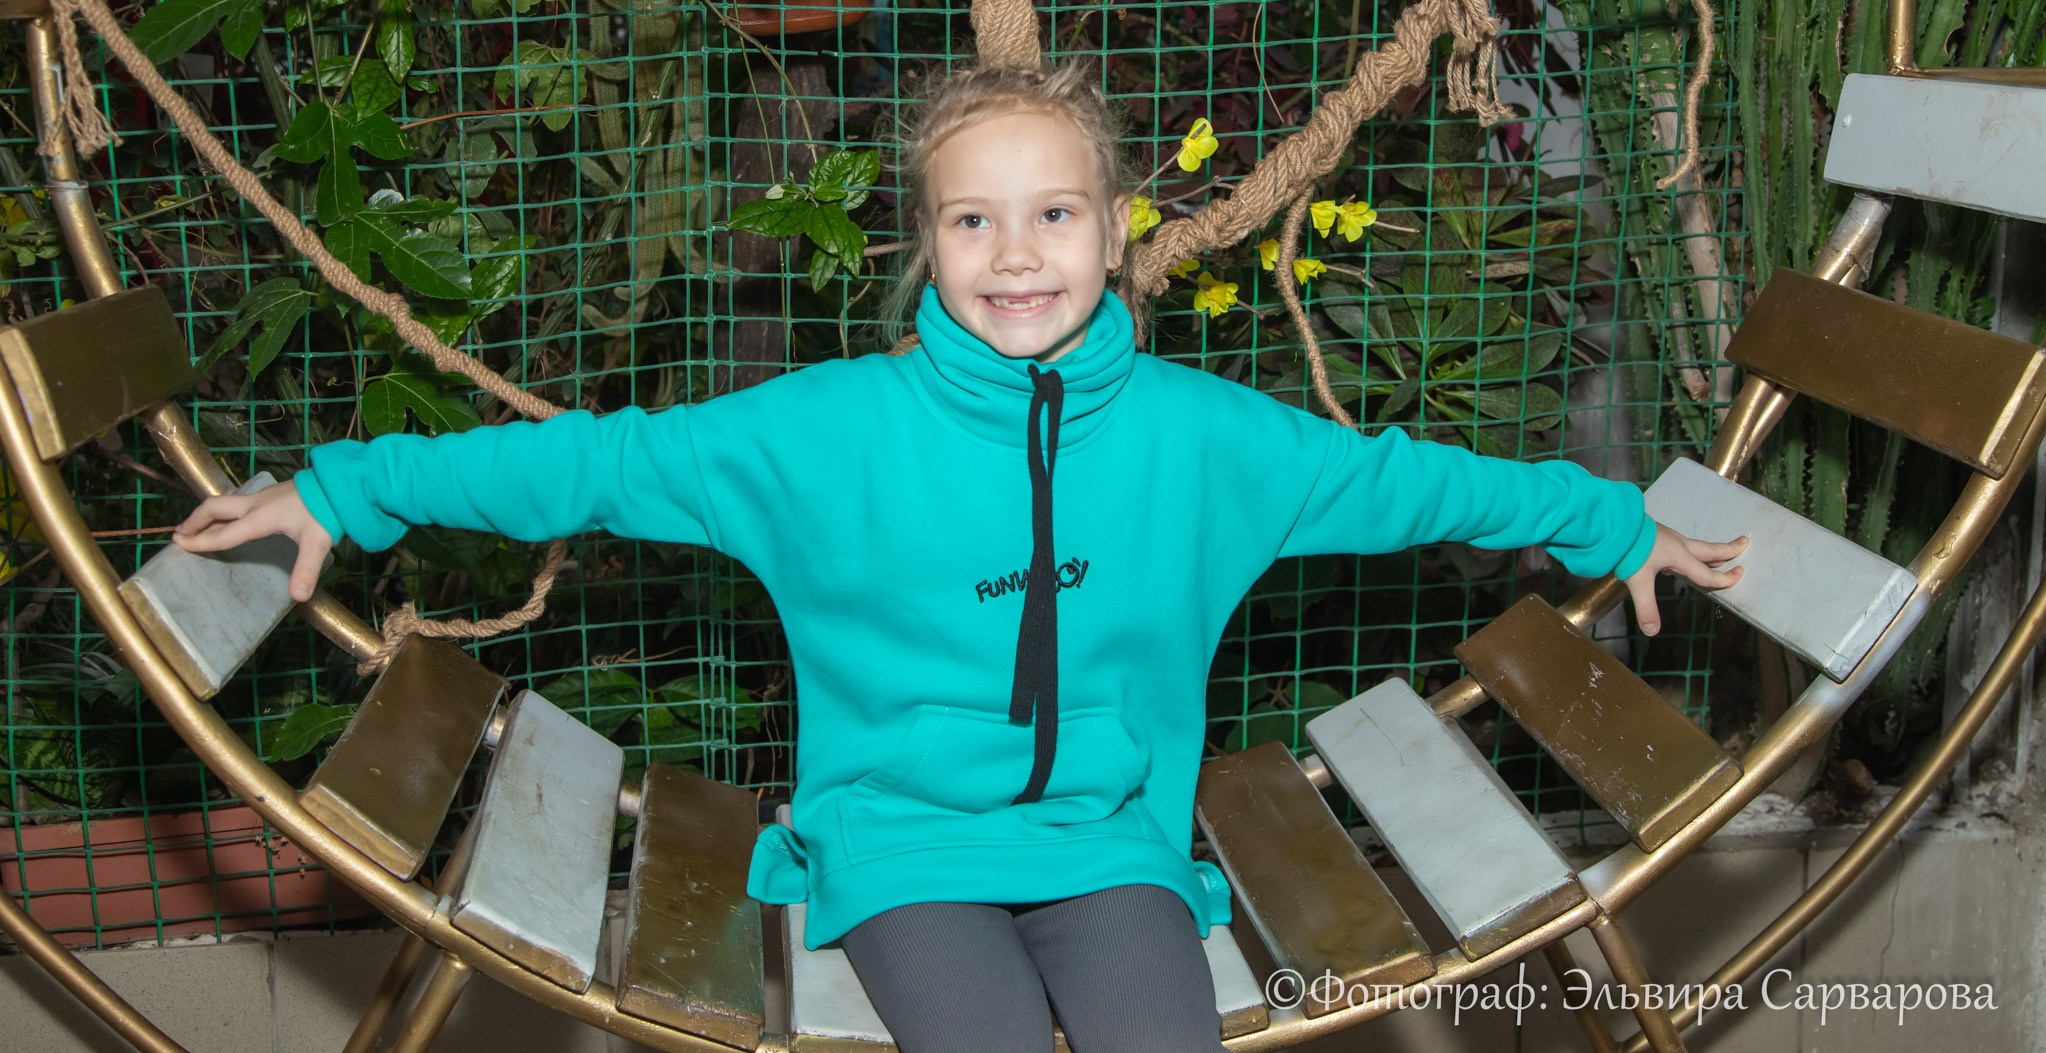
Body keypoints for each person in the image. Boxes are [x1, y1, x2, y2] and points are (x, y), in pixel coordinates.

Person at [172, 59, 1746, 1053]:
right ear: (924, 241)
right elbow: (597, 457)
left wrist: (1607, 519)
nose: (1016, 256)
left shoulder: (1211, 439)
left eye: (1053, 213)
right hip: (902, 843)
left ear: (1118, 228)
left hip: (1115, 842)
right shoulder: (825, 432)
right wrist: (346, 490)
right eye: (972, 221)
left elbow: (1403, 481)